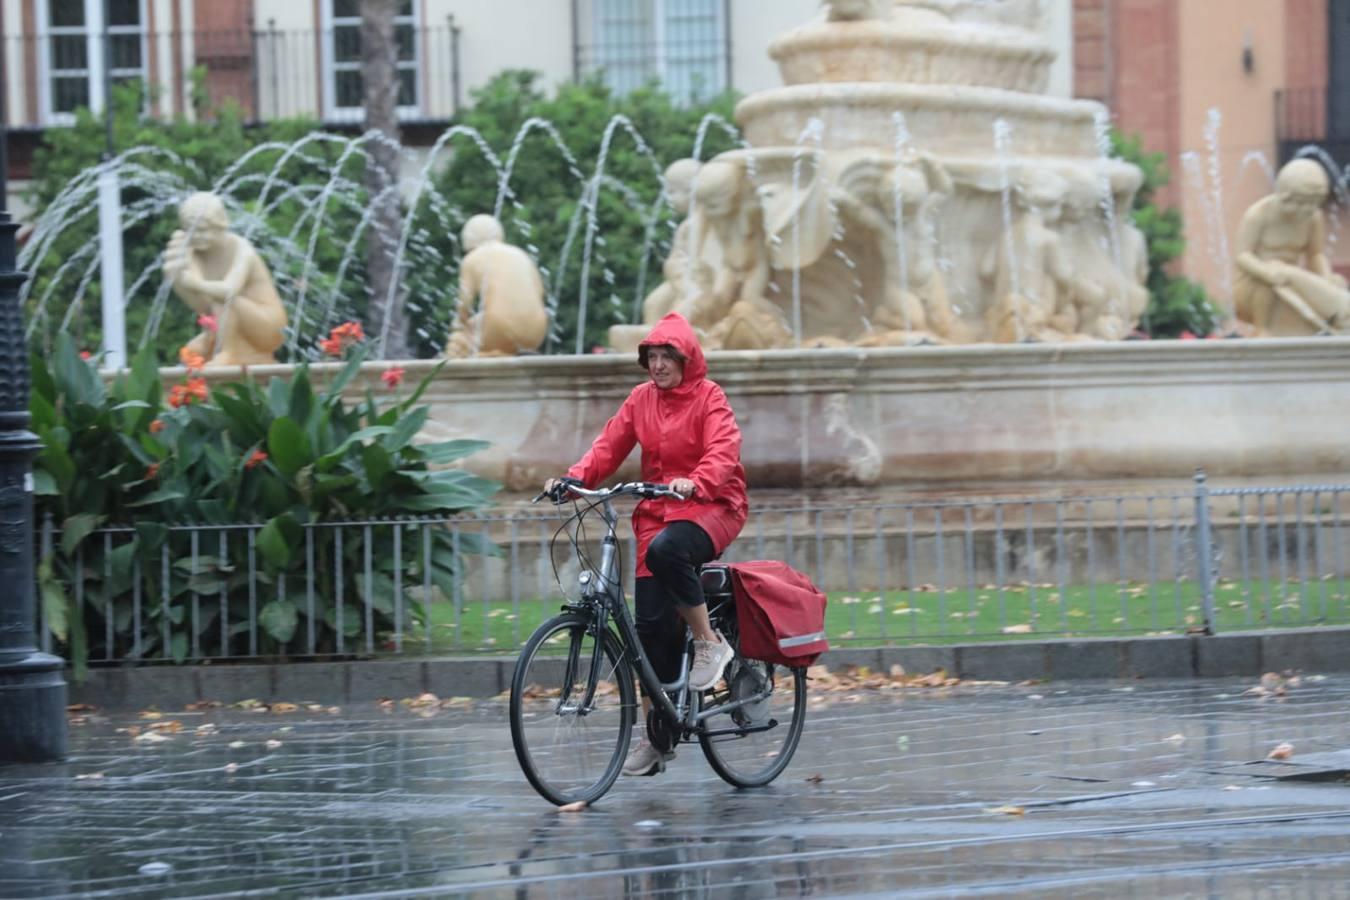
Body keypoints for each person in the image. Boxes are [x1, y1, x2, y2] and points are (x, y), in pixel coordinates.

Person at [544, 311, 749, 776]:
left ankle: (708, 642)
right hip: (659, 512)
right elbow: (607, 447)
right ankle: (659, 739)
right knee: (650, 629)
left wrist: (696, 482)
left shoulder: (710, 397)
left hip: (713, 505)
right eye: (651, 357)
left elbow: (723, 451)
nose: (657, 366)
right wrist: (572, 481)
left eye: (666, 357)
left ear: (686, 358)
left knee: (668, 552)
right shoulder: (641, 400)